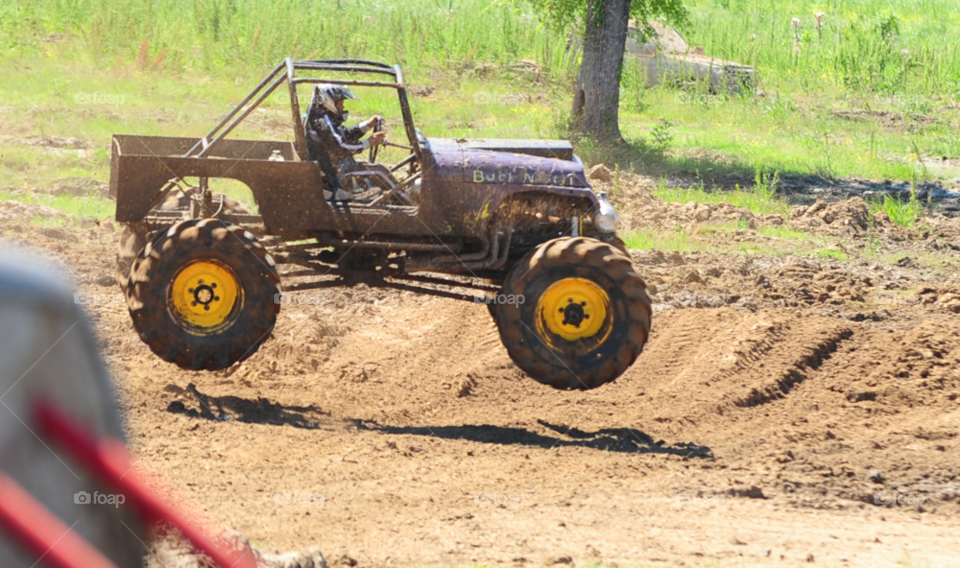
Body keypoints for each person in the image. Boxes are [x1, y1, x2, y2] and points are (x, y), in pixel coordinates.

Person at [304, 83, 386, 201]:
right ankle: (409, 203)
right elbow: (339, 148)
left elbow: (343, 134)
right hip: (330, 180)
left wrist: (367, 125)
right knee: (379, 172)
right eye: (340, 103)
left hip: (332, 171)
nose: (342, 107)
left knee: (377, 171)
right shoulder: (323, 123)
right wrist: (369, 142)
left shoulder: (321, 117)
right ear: (329, 103)